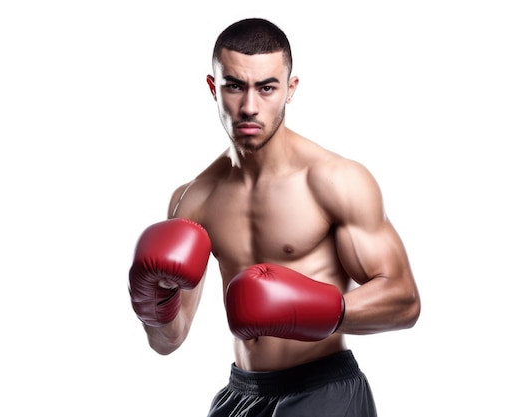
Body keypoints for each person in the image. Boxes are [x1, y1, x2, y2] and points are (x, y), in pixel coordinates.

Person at [128, 17, 421, 417]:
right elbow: (169, 340)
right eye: (235, 86)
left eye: (267, 88)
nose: (250, 106)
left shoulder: (334, 180)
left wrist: (312, 310)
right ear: (214, 88)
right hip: (240, 393)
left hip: (323, 389)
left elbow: (404, 301)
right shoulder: (192, 200)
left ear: (290, 89)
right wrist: (152, 304)